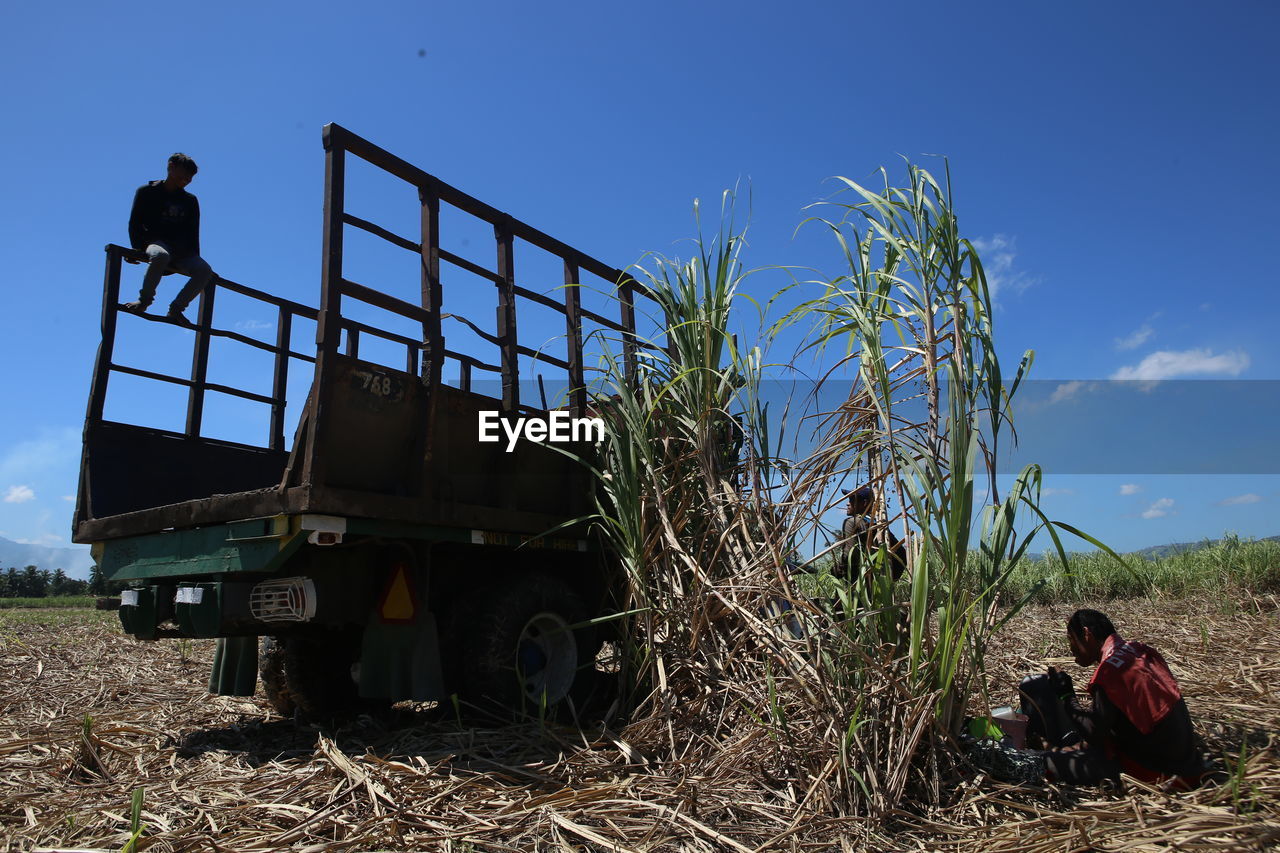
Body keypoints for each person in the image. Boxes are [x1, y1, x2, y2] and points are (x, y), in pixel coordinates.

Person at [1020, 608, 1205, 788]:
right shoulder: (1139, 651)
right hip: (1187, 765)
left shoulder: (1110, 671)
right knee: (1039, 688)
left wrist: (1066, 694)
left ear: (1086, 634)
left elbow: (1094, 734)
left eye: (1071, 640)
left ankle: (1046, 754)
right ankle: (1056, 749)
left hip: (1157, 773)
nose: (1071, 649)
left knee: (1035, 763)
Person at [124, 152, 216, 323]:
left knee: (205, 270)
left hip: (181, 249)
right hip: (154, 241)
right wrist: (136, 248)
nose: (187, 179)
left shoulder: (190, 200)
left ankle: (176, 309)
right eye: (184, 173)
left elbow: (193, 231)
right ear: (171, 167)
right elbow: (134, 222)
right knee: (161, 255)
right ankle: (144, 301)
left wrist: (195, 258)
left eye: (190, 176)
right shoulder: (147, 192)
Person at [836, 486, 907, 586]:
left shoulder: (851, 523)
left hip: (859, 586)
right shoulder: (878, 526)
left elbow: (848, 555)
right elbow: (902, 553)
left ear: (864, 503)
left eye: (852, 499)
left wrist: (838, 569)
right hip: (878, 586)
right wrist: (889, 580)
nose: (848, 503)